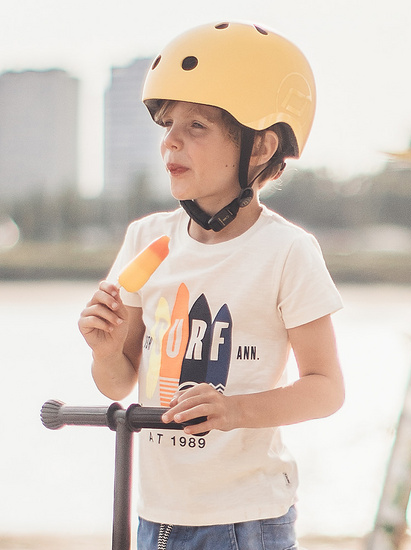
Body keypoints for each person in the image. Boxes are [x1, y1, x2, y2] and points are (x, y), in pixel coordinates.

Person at [78, 21, 345, 550]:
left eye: (197, 126)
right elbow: (118, 384)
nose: (171, 141)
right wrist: (105, 352)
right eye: (168, 124)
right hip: (156, 512)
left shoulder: (287, 251)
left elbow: (326, 388)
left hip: (245, 517)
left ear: (259, 145)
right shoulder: (146, 239)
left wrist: (234, 410)